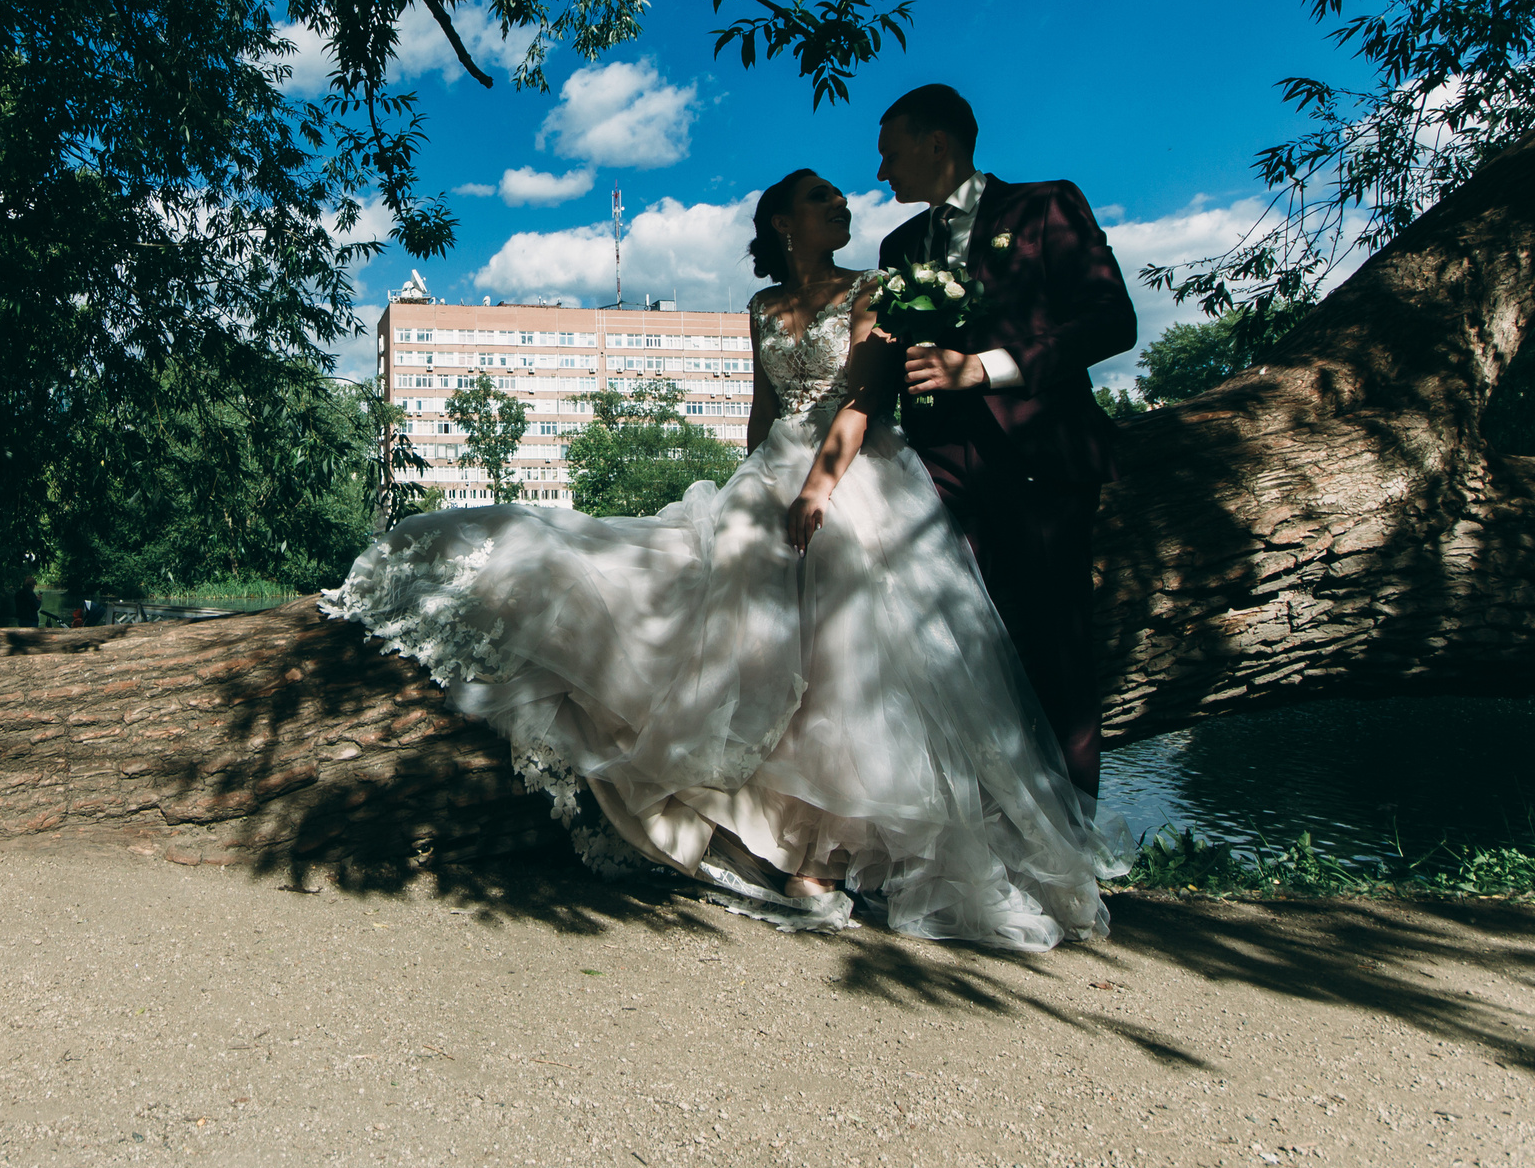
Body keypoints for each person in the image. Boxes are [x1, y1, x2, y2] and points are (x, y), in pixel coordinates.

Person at [323, 168, 1128, 950]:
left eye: (838, 196)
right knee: (731, 629)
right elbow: (763, 409)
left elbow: (865, 399)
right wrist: (747, 490)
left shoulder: (873, 287)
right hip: (772, 476)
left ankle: (824, 857)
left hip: (858, 474)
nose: (842, 201)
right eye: (820, 197)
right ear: (782, 221)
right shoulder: (761, 305)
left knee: (843, 650)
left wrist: (817, 488)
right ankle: (770, 834)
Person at [874, 85, 1137, 795]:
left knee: (1058, 659)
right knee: (945, 658)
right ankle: (973, 840)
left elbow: (1112, 321)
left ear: (938, 144)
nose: (880, 174)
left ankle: (1072, 854)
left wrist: (983, 370)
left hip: (1040, 469)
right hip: (937, 480)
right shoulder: (898, 246)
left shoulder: (1046, 207)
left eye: (889, 155)